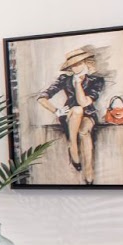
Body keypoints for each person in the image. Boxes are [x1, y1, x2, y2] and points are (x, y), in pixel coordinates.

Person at [35, 45, 104, 184]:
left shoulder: (96, 81)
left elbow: (84, 103)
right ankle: (73, 145)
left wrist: (78, 84)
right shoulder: (64, 79)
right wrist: (56, 110)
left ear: (86, 63)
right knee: (76, 111)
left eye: (79, 63)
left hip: (88, 114)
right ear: (69, 68)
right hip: (69, 115)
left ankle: (87, 168)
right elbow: (42, 98)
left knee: (84, 129)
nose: (76, 68)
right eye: (73, 65)